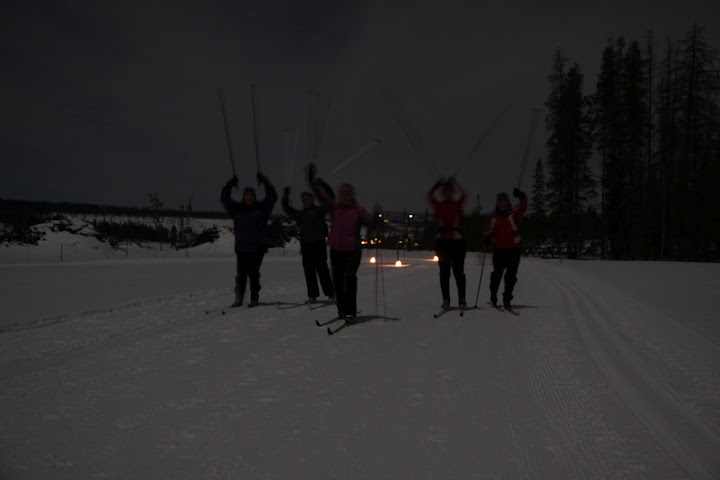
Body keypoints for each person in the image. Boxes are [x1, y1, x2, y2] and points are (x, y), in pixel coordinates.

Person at [308, 163, 376, 321]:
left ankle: (351, 311)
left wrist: (377, 218)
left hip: (353, 251)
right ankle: (342, 310)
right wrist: (312, 180)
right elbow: (320, 195)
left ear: (352, 195)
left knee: (350, 279)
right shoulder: (335, 207)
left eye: (348, 193)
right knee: (337, 281)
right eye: (343, 193)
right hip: (336, 250)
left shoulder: (359, 211)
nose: (345, 196)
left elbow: (372, 223)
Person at [221, 172, 278, 308]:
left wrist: (265, 182)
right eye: (247, 195)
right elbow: (225, 200)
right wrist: (229, 185)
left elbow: (272, 198)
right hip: (241, 248)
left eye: (251, 195)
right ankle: (239, 298)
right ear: (244, 197)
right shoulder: (237, 209)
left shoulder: (262, 209)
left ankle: (254, 298)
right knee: (241, 275)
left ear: (254, 197)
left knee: (253, 274)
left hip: (257, 248)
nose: (249, 197)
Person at [281, 187, 335, 303]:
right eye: (304, 200)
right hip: (306, 247)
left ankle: (331, 294)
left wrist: (321, 187)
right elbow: (287, 209)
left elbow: (329, 200)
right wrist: (285, 196)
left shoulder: (319, 211)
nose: (306, 201)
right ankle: (312, 295)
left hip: (319, 246)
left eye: (308, 199)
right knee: (309, 272)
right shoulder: (300, 215)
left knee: (322, 270)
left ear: (312, 200)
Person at [483, 188, 528, 310]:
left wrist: (521, 195)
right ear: (497, 204)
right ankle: (493, 296)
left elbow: (523, 206)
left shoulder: (514, 214)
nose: (502, 204)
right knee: (496, 276)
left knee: (511, 277)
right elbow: (488, 230)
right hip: (499, 251)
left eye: (504, 202)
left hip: (514, 250)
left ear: (508, 203)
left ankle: (507, 299)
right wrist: (487, 237)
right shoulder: (493, 218)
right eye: (500, 202)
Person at [428, 177, 467, 311]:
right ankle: (446, 299)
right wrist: (437, 185)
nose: (448, 195)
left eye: (450, 192)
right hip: (442, 242)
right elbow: (429, 195)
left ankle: (462, 297)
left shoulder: (457, 204)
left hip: (457, 242)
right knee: (444, 273)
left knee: (459, 272)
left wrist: (457, 183)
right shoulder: (439, 205)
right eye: (445, 193)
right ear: (442, 194)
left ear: (453, 193)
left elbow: (464, 194)